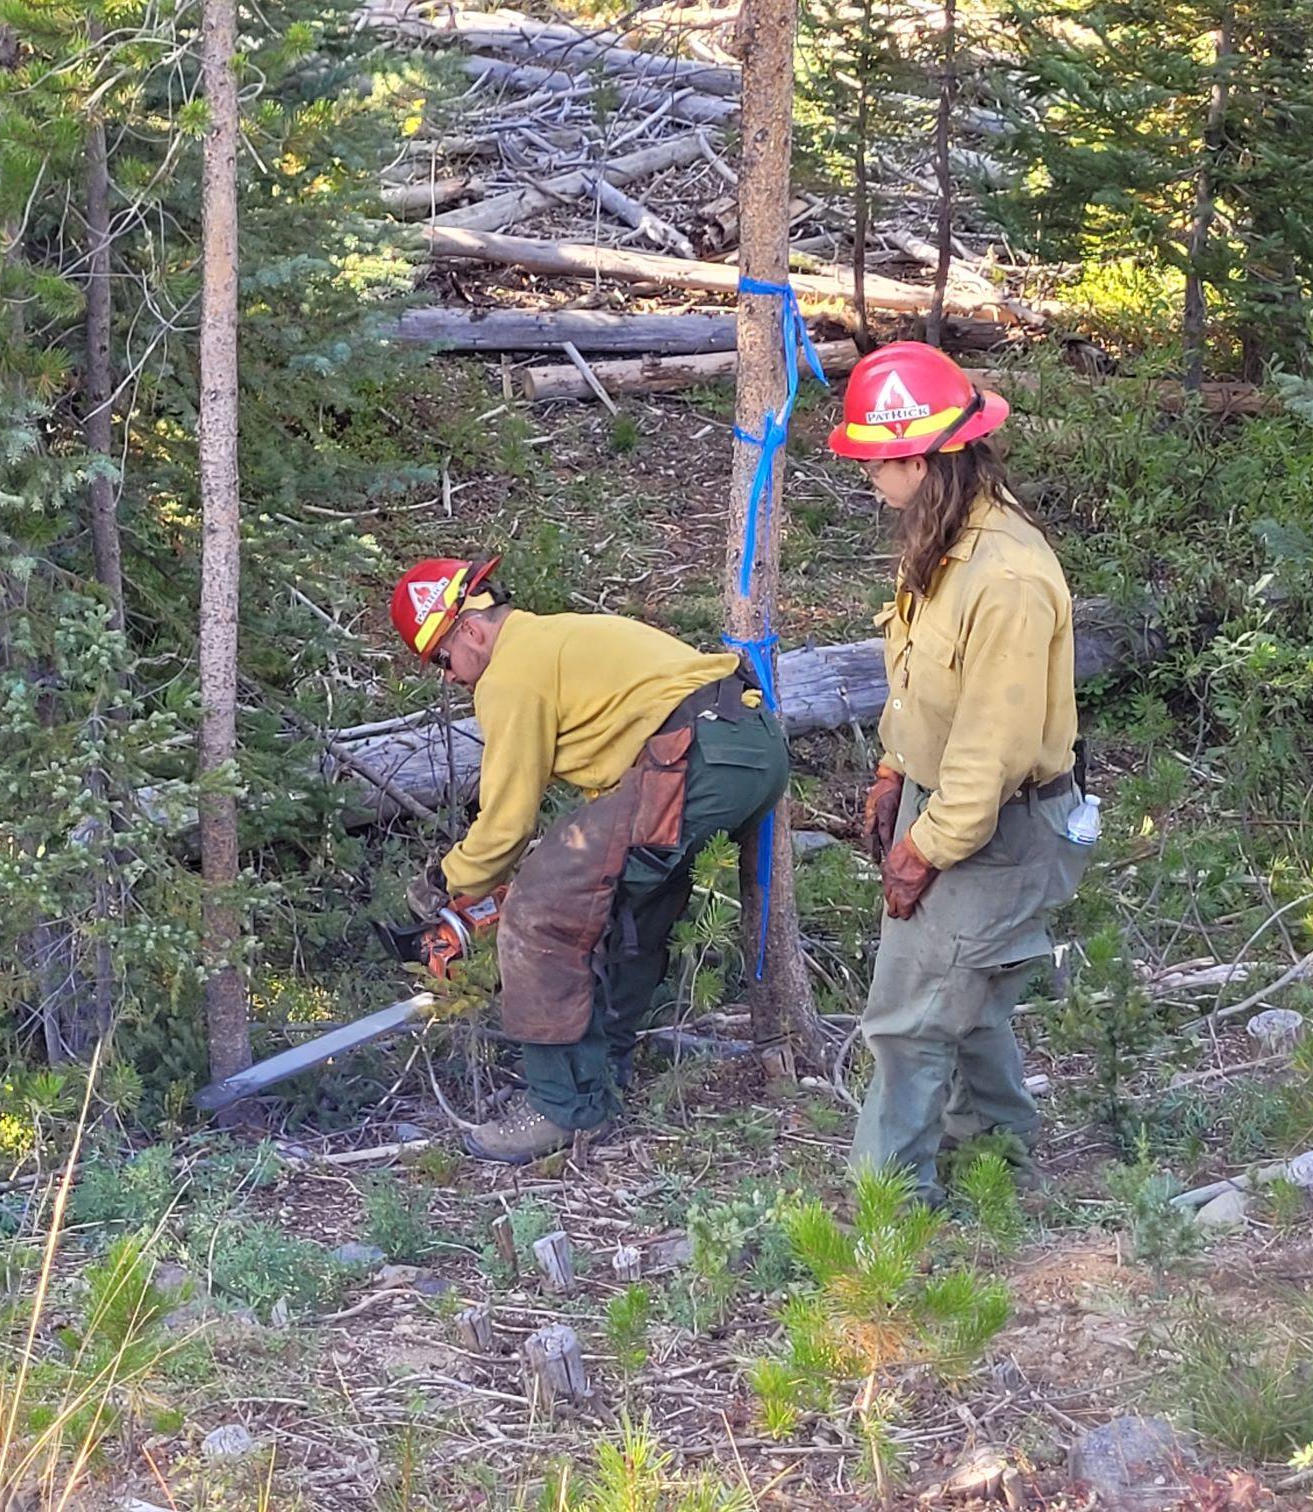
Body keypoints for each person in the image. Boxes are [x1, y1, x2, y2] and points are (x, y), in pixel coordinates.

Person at [389, 557, 790, 1163]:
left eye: (442, 659)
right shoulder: (554, 638)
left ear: (469, 630)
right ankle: (604, 1075)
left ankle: (558, 1107)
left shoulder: (510, 675)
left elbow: (506, 823)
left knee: (538, 913)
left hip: (696, 757)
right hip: (745, 746)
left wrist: (445, 883)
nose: (448, 678)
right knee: (625, 904)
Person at [825, 341, 1092, 1205]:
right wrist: (894, 770)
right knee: (966, 1006)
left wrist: (926, 849)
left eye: (877, 459)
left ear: (922, 457)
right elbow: (926, 684)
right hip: (946, 809)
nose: (868, 474)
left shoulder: (1005, 576)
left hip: (992, 828)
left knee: (908, 1020)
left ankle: (887, 1212)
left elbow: (990, 746)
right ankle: (1001, 1165)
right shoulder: (942, 542)